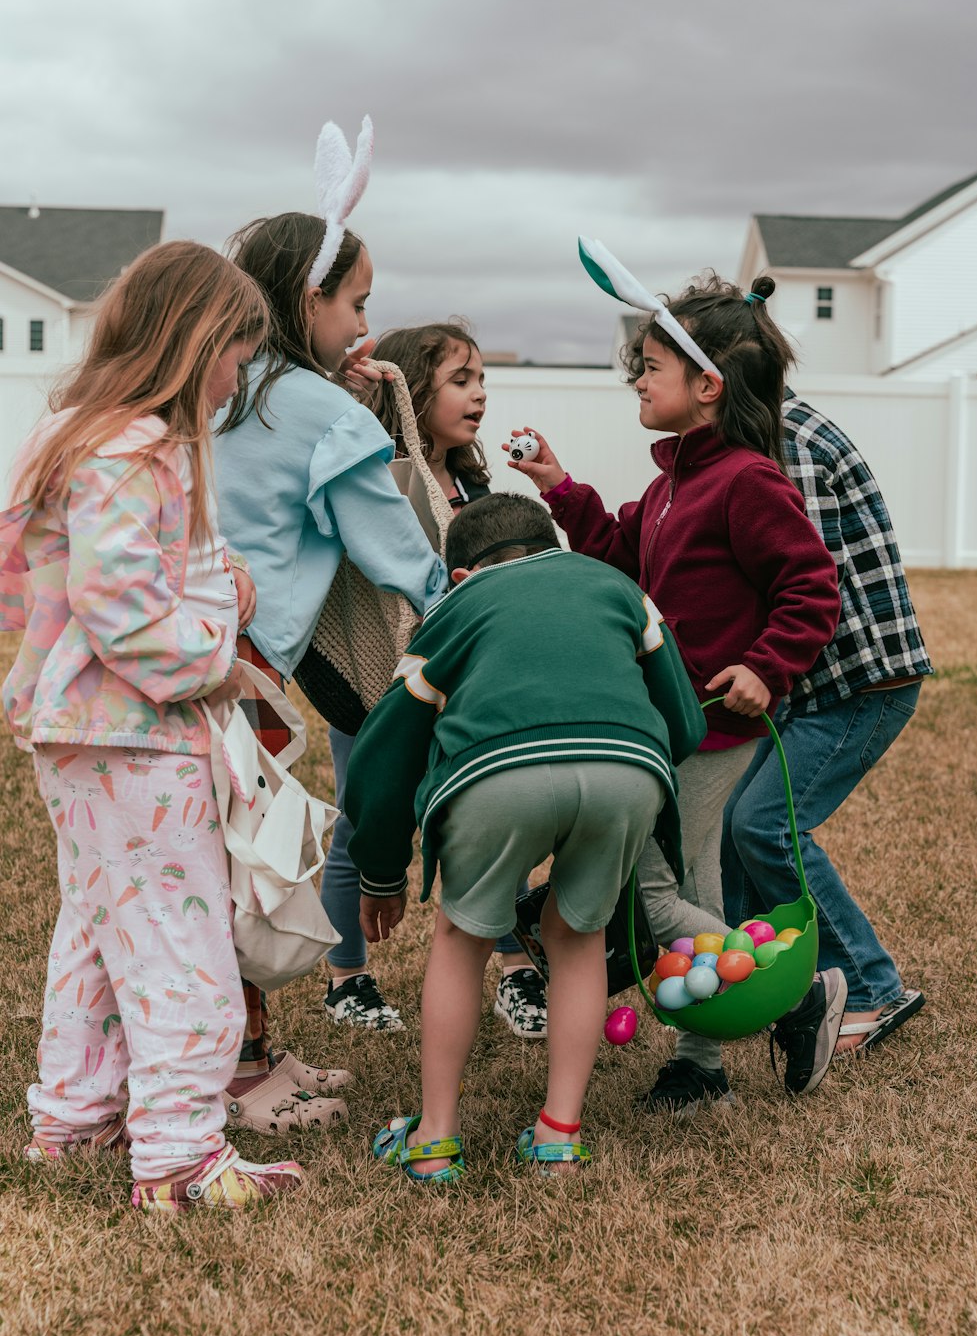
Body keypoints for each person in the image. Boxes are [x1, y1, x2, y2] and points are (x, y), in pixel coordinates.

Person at [0, 241, 303, 1210]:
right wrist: (218, 646)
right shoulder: (138, 449)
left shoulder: (82, 437)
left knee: (97, 925)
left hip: (85, 731)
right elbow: (122, 608)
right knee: (184, 941)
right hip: (138, 730)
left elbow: (45, 583)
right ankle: (176, 1153)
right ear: (196, 340)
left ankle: (76, 1113)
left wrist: (218, 585)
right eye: (234, 355)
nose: (235, 380)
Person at [508, 265, 846, 1112]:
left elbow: (811, 584)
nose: (636, 378)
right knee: (683, 891)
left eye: (650, 365)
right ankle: (705, 1058)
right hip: (667, 721)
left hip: (713, 729)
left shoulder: (745, 480)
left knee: (666, 893)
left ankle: (771, 1015)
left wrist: (766, 667)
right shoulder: (669, 487)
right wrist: (561, 489)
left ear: (707, 385)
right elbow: (624, 559)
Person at [343, 493, 707, 1181]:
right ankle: (558, 1136)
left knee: (462, 937)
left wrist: (382, 872)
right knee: (577, 938)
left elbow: (382, 755)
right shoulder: (619, 587)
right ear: (557, 546)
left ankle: (434, 1139)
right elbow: (685, 724)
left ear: (460, 575)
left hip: (494, 771)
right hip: (627, 767)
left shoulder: (452, 612)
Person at [213, 211, 448, 1071]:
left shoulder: (230, 386)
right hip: (248, 674)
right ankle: (237, 1065)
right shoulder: (315, 407)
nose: (364, 326)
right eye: (355, 302)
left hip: (189, 643)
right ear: (310, 298)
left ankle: (232, 1051)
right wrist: (454, 599)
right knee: (237, 867)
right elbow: (390, 542)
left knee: (200, 856)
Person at [329, 320, 549, 1040]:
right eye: (461, 380)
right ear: (411, 388)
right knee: (362, 818)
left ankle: (519, 970)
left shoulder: (475, 482)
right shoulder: (378, 476)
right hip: (381, 680)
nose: (479, 394)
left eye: (482, 379)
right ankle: (347, 975)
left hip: (469, 682)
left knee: (493, 814)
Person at [722, 389, 931, 1062]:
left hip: (860, 682)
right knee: (733, 819)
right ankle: (773, 981)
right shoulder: (764, 435)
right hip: (818, 683)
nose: (640, 381)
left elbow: (799, 575)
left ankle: (875, 983)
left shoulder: (786, 445)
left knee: (765, 823)